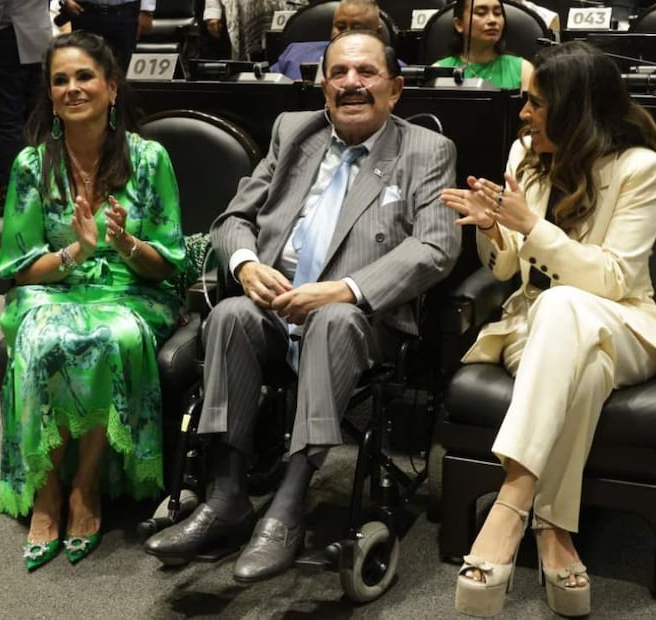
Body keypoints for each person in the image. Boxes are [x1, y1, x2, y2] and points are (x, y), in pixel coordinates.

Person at [143, 29, 461, 582]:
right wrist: (246, 265)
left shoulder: (426, 150)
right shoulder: (294, 132)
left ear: (395, 88)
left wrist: (343, 289)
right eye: (338, 73)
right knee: (230, 314)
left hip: (363, 318)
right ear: (323, 86)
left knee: (334, 320)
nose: (351, 83)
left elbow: (436, 247)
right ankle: (228, 495)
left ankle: (288, 505)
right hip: (276, 306)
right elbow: (233, 220)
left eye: (366, 72)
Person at [440, 40, 656, 618]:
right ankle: (553, 528)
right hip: (538, 328)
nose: (524, 114)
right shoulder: (526, 152)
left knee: (566, 304)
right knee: (583, 363)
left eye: (537, 103)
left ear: (577, 110)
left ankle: (511, 502)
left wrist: (532, 226)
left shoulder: (640, 168)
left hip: (625, 324)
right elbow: (506, 269)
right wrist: (494, 229)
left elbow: (614, 279)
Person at [0, 30, 185, 571]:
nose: (72, 88)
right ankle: (47, 489)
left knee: (110, 335)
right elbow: (18, 269)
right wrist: (77, 251)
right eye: (60, 80)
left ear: (112, 88)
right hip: (53, 286)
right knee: (42, 336)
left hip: (132, 290)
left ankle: (84, 485)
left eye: (84, 76)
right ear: (50, 96)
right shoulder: (32, 165)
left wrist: (124, 244)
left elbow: (167, 263)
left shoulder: (149, 159)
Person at [0, 0, 52, 218]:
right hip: (39, 36)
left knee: (8, 122)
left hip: (7, 35)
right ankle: (40, 195)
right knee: (35, 121)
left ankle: (12, 197)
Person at [269, 0, 385, 81]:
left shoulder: (389, 66)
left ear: (377, 33)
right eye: (340, 26)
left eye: (357, 28)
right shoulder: (295, 54)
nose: (345, 33)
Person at [433, 0, 533, 90]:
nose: (492, 20)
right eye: (481, 13)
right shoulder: (438, 72)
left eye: (497, 13)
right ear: (459, 24)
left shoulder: (523, 71)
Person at [59, 0, 156, 72]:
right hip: (83, 11)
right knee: (83, 71)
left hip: (125, 12)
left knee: (120, 75)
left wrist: (147, 11)